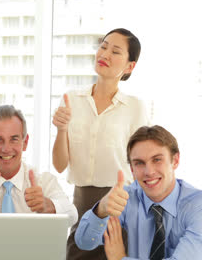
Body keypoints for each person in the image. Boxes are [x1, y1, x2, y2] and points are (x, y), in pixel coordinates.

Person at [52, 28, 148, 259]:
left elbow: (142, 164)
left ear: (129, 66)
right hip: (82, 201)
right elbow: (59, 165)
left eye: (115, 51)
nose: (104, 54)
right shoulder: (72, 99)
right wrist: (61, 129)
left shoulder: (135, 107)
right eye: (103, 46)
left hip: (119, 205)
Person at [75, 125, 202, 259]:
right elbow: (85, 242)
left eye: (157, 160)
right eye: (139, 163)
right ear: (132, 169)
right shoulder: (127, 197)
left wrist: (120, 259)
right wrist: (100, 211)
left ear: (175, 160)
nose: (149, 172)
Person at [0, 105, 78, 227]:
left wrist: (47, 205)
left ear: (25, 142)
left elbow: (72, 215)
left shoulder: (43, 181)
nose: (6, 149)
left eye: (14, 139)